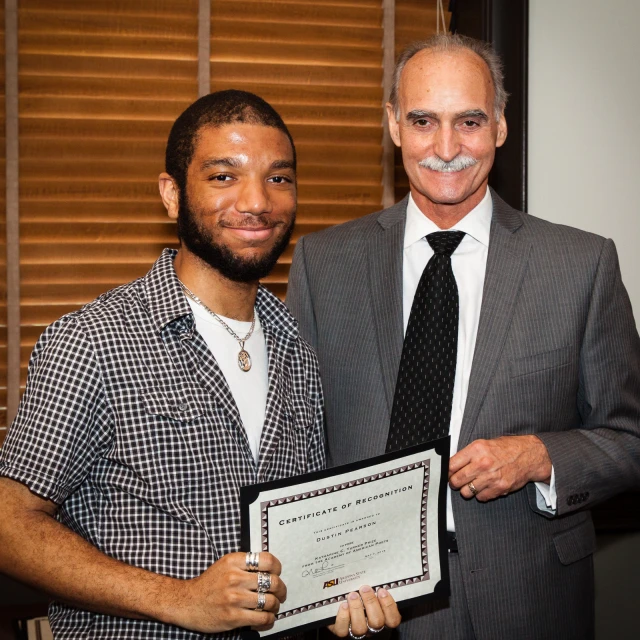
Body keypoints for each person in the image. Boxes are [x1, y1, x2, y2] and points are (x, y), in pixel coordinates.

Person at [0, 90, 400, 639]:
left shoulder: (298, 349)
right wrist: (181, 599)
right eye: (223, 176)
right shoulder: (93, 340)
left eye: (279, 178)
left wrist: (342, 600)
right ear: (172, 194)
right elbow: (8, 523)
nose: (257, 201)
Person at [286, 35, 640, 640]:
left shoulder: (581, 264)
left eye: (469, 121)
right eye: (423, 120)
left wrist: (541, 456)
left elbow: (630, 438)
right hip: (367, 605)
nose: (446, 148)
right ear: (394, 124)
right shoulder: (324, 264)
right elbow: (298, 440)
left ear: (500, 126)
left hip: (528, 597)